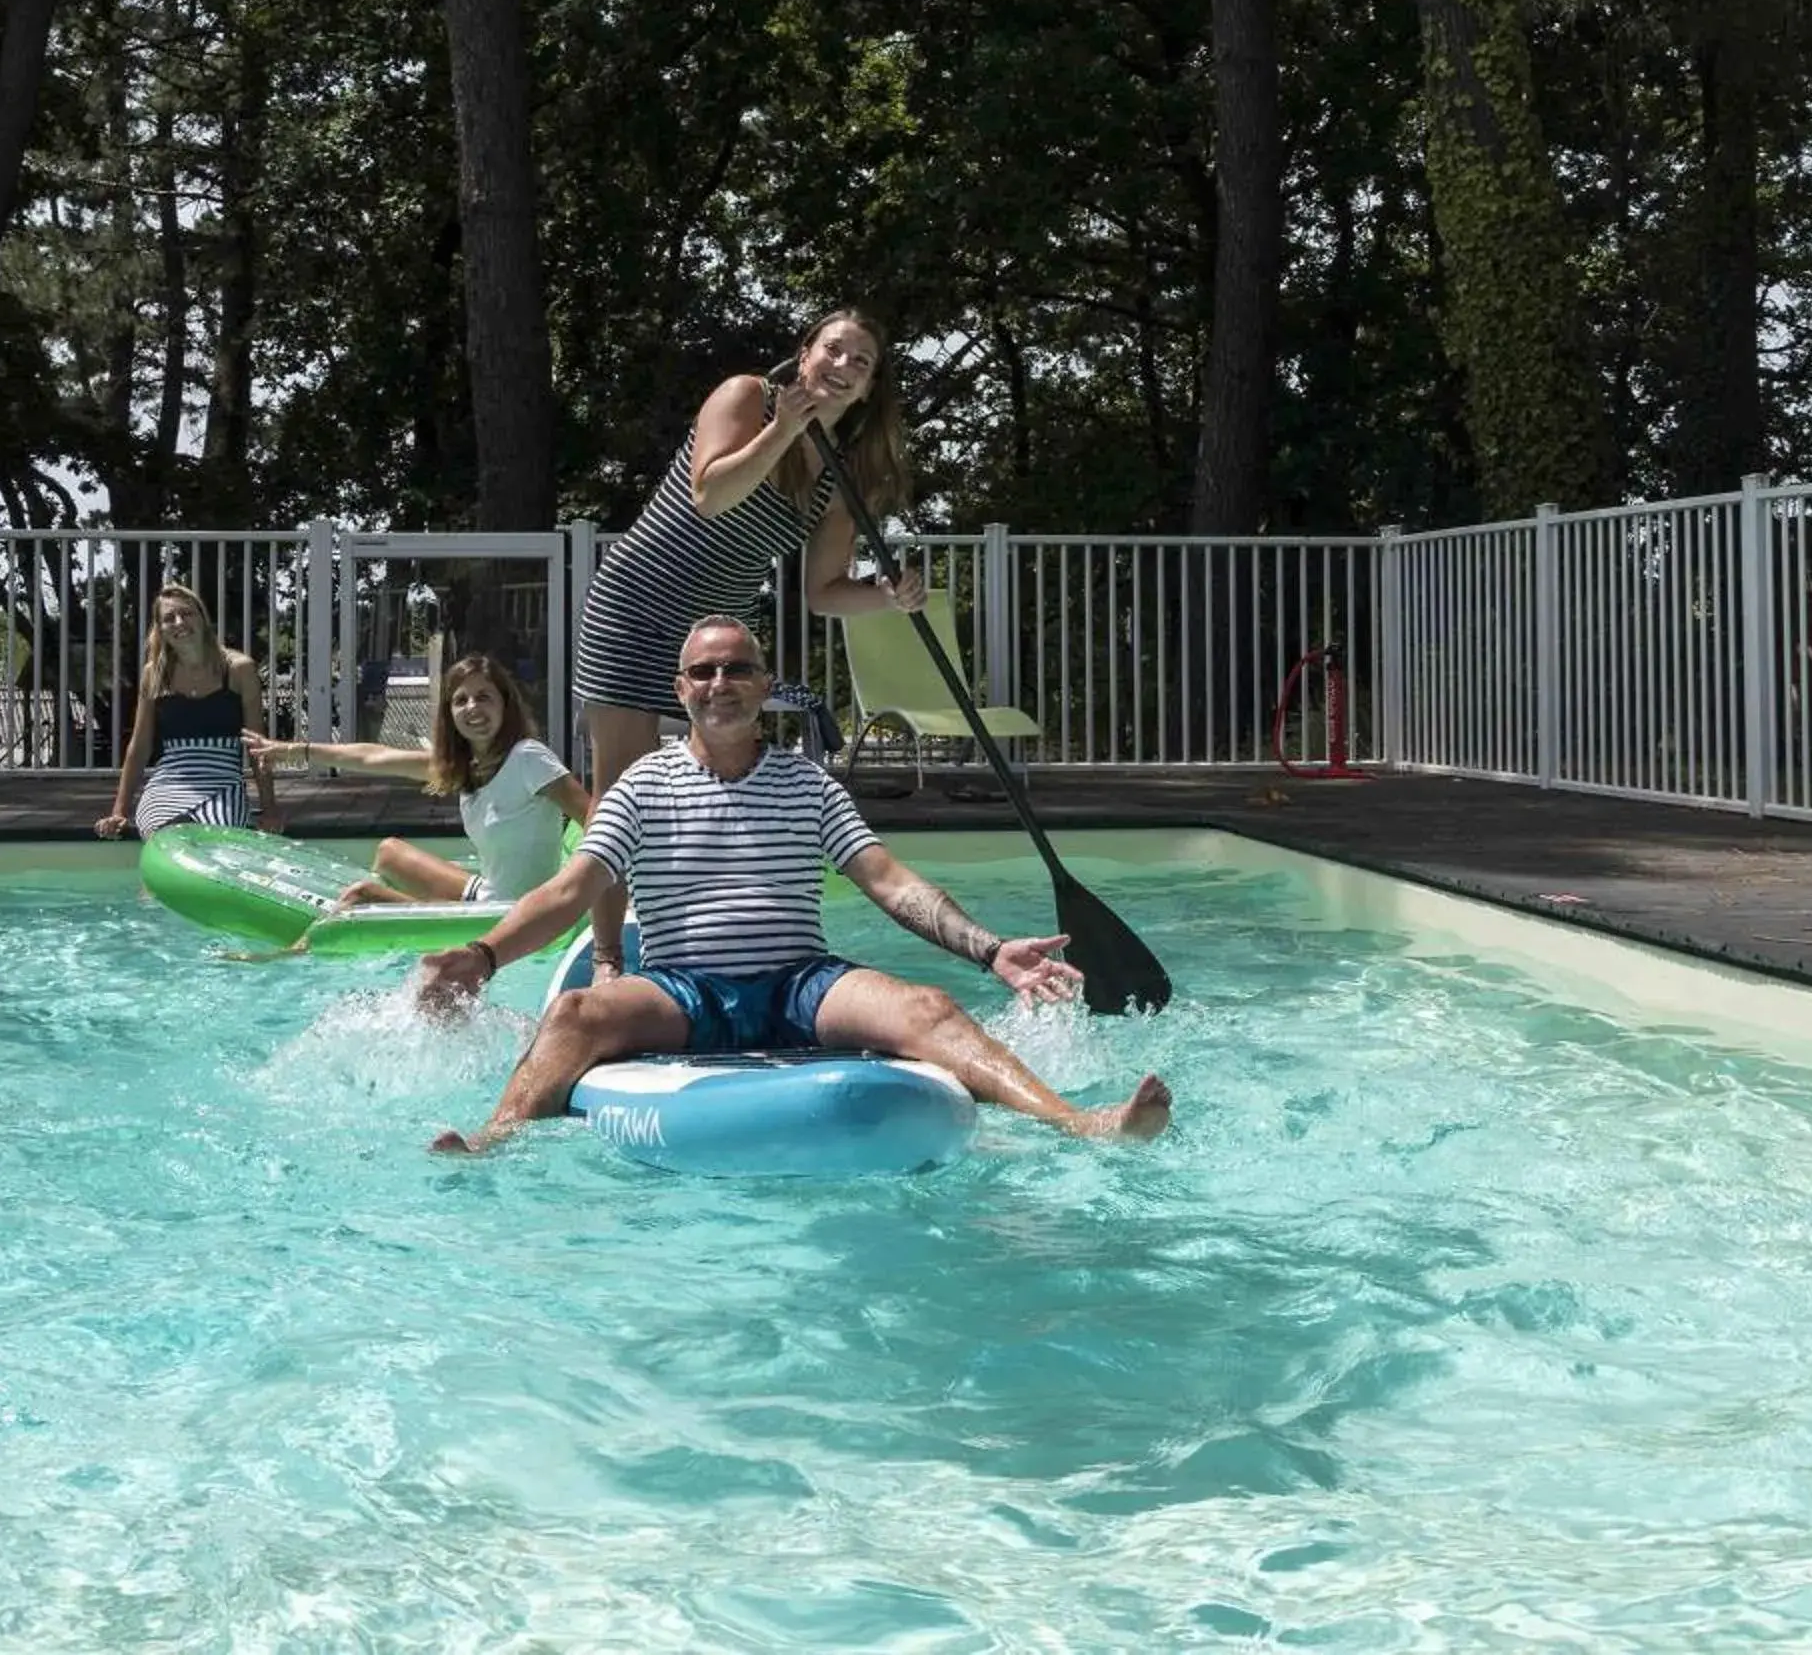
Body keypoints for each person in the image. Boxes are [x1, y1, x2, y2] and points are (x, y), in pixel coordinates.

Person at [411, 616, 1173, 1152]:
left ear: (764, 684)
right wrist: (482, 957)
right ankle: (496, 1138)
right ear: (682, 690)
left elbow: (888, 881)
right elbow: (571, 890)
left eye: (737, 668)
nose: (720, 683)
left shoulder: (807, 784)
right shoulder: (643, 784)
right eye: (704, 671)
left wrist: (991, 950)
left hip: (802, 983)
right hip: (686, 989)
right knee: (577, 1012)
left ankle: (1077, 1121)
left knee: (930, 1008)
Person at [571, 307, 931, 798]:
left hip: (717, 635)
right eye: (833, 349)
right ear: (804, 356)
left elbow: (823, 593)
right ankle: (595, 875)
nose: (844, 364)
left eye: (861, 362)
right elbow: (711, 496)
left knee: (721, 788)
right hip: (638, 607)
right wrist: (783, 429)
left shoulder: (842, 479)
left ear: (868, 388)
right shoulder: (747, 396)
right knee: (623, 799)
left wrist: (889, 598)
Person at [239, 654, 591, 948]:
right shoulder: (464, 766)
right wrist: (294, 750)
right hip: (486, 894)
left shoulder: (528, 758)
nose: (473, 708)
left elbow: (595, 817)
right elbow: (372, 757)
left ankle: (294, 952)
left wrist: (588, 894)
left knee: (362, 893)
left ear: (504, 704)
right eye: (461, 700)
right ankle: (408, 918)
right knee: (390, 851)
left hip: (508, 916)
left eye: (484, 697)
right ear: (450, 714)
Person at [94, 581, 280, 840]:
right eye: (169, 618)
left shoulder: (239, 669)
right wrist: (120, 811)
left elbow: (257, 746)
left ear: (202, 618)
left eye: (187, 613)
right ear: (161, 629)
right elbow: (140, 747)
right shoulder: (155, 673)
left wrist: (270, 809)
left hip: (223, 783)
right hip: (167, 784)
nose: (180, 622)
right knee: (165, 836)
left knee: (217, 834)